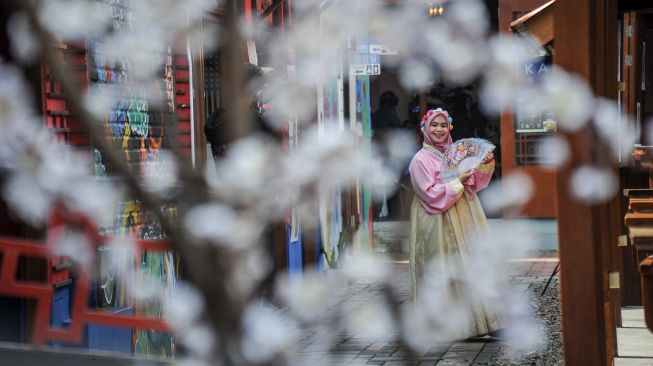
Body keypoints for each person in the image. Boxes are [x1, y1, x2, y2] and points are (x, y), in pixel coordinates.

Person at [407, 108, 500, 339]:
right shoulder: (419, 160)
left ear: (449, 127)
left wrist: (485, 165)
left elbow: (475, 183)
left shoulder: (456, 153)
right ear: (425, 130)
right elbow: (430, 194)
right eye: (433, 126)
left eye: (442, 125)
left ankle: (483, 321)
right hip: (438, 220)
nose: (438, 129)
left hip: (466, 214)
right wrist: (458, 181)